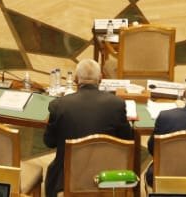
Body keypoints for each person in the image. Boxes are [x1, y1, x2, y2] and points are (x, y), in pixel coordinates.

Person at [43, 59, 133, 197]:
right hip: (107, 177)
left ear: (76, 79)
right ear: (100, 79)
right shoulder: (117, 104)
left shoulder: (59, 105)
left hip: (67, 180)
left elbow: (49, 142)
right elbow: (127, 140)